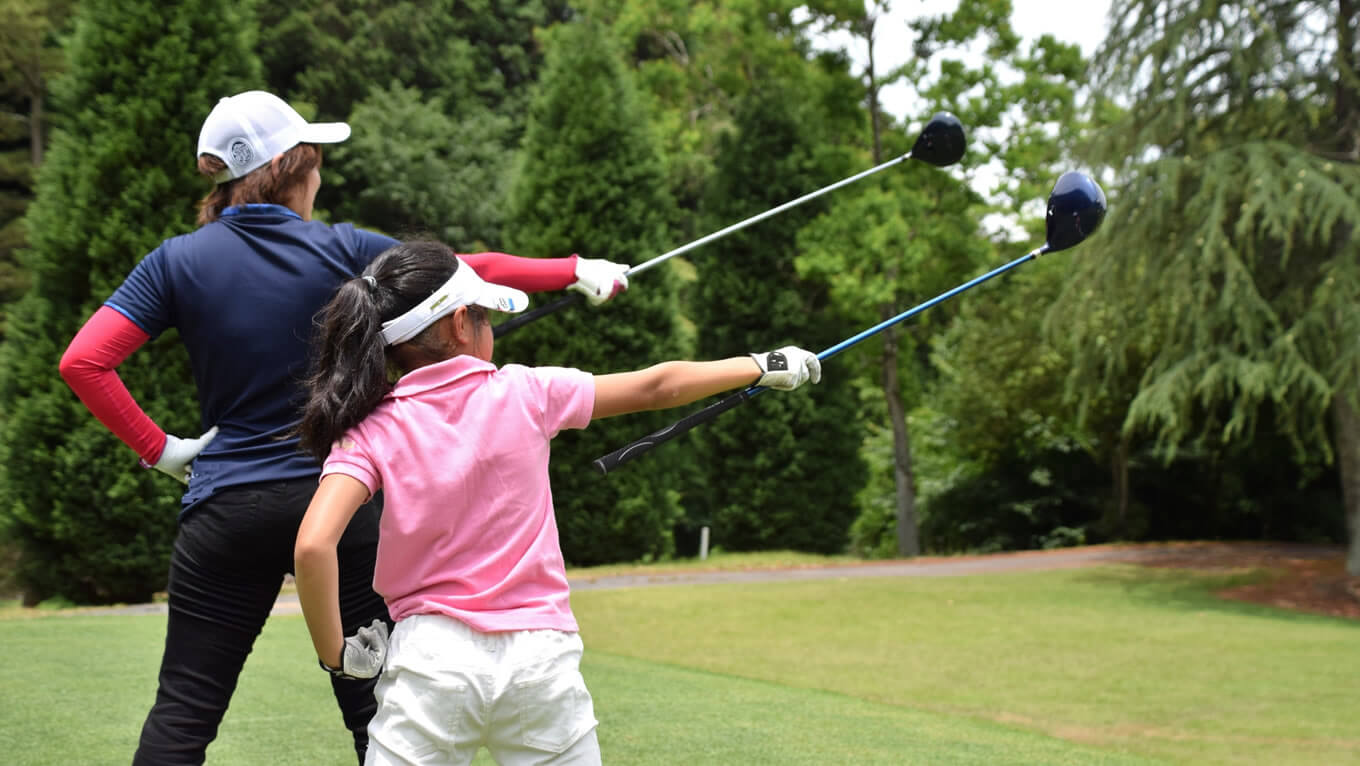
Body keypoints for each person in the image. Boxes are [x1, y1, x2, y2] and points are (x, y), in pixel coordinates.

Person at [56, 90, 631, 766]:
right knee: (377, 715)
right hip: (342, 500)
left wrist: (164, 450)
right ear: (293, 167)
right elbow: (472, 271)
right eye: (317, 162)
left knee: (184, 714)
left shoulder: (176, 261)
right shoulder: (346, 248)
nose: (320, 176)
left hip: (228, 509)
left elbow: (84, 362)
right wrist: (575, 270)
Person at [291, 239, 823, 765]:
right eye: (483, 316)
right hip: (539, 660)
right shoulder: (529, 391)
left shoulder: (371, 428)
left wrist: (337, 656)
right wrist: (760, 364)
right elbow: (657, 386)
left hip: (431, 661)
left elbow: (314, 545)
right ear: (459, 324)